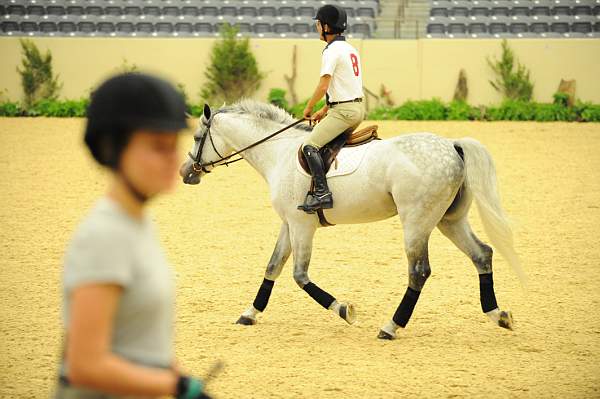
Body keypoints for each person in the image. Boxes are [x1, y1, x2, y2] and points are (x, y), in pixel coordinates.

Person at [54, 73, 211, 399]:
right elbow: (85, 364)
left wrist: (175, 373)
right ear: (113, 149)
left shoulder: (137, 224)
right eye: (158, 146)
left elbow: (139, 338)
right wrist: (177, 387)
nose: (173, 159)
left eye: (173, 146)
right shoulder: (104, 235)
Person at [298, 4, 366, 214]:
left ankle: (322, 192)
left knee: (309, 146)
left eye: (318, 24)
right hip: (355, 109)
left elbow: (324, 85)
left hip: (344, 113)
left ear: (326, 26)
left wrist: (309, 108)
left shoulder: (332, 51)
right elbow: (345, 85)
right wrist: (325, 110)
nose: (317, 28)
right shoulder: (349, 49)